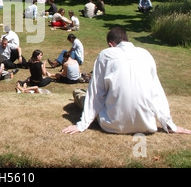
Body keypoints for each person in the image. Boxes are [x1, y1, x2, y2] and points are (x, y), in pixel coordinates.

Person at [62, 26, 191, 135]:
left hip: (112, 123)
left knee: (80, 94)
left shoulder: (106, 55)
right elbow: (156, 92)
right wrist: (169, 125)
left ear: (110, 44)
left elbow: (96, 92)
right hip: (146, 124)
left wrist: (82, 125)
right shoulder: (145, 54)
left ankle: (78, 94)